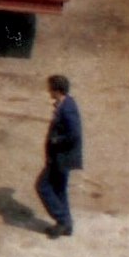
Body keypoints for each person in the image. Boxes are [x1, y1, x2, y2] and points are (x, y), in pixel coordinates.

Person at [37, 75, 83, 237]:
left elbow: (74, 133)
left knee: (43, 186)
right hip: (61, 157)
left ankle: (62, 220)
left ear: (57, 90)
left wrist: (57, 141)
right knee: (59, 189)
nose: (48, 91)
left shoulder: (68, 108)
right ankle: (66, 224)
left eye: (50, 88)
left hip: (61, 157)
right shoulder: (64, 104)